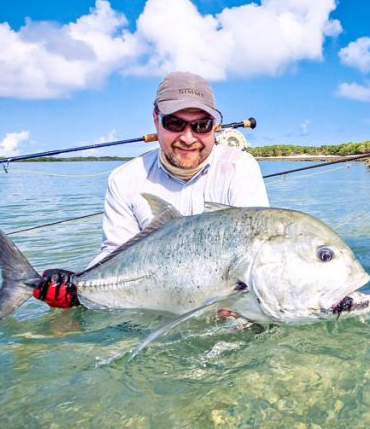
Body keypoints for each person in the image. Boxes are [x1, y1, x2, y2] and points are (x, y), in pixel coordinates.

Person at [34, 71, 270, 307]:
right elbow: (116, 253)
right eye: (175, 123)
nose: (188, 138)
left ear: (214, 127)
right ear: (156, 119)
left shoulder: (240, 167)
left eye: (201, 125)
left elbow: (253, 252)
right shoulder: (125, 179)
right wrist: (76, 288)